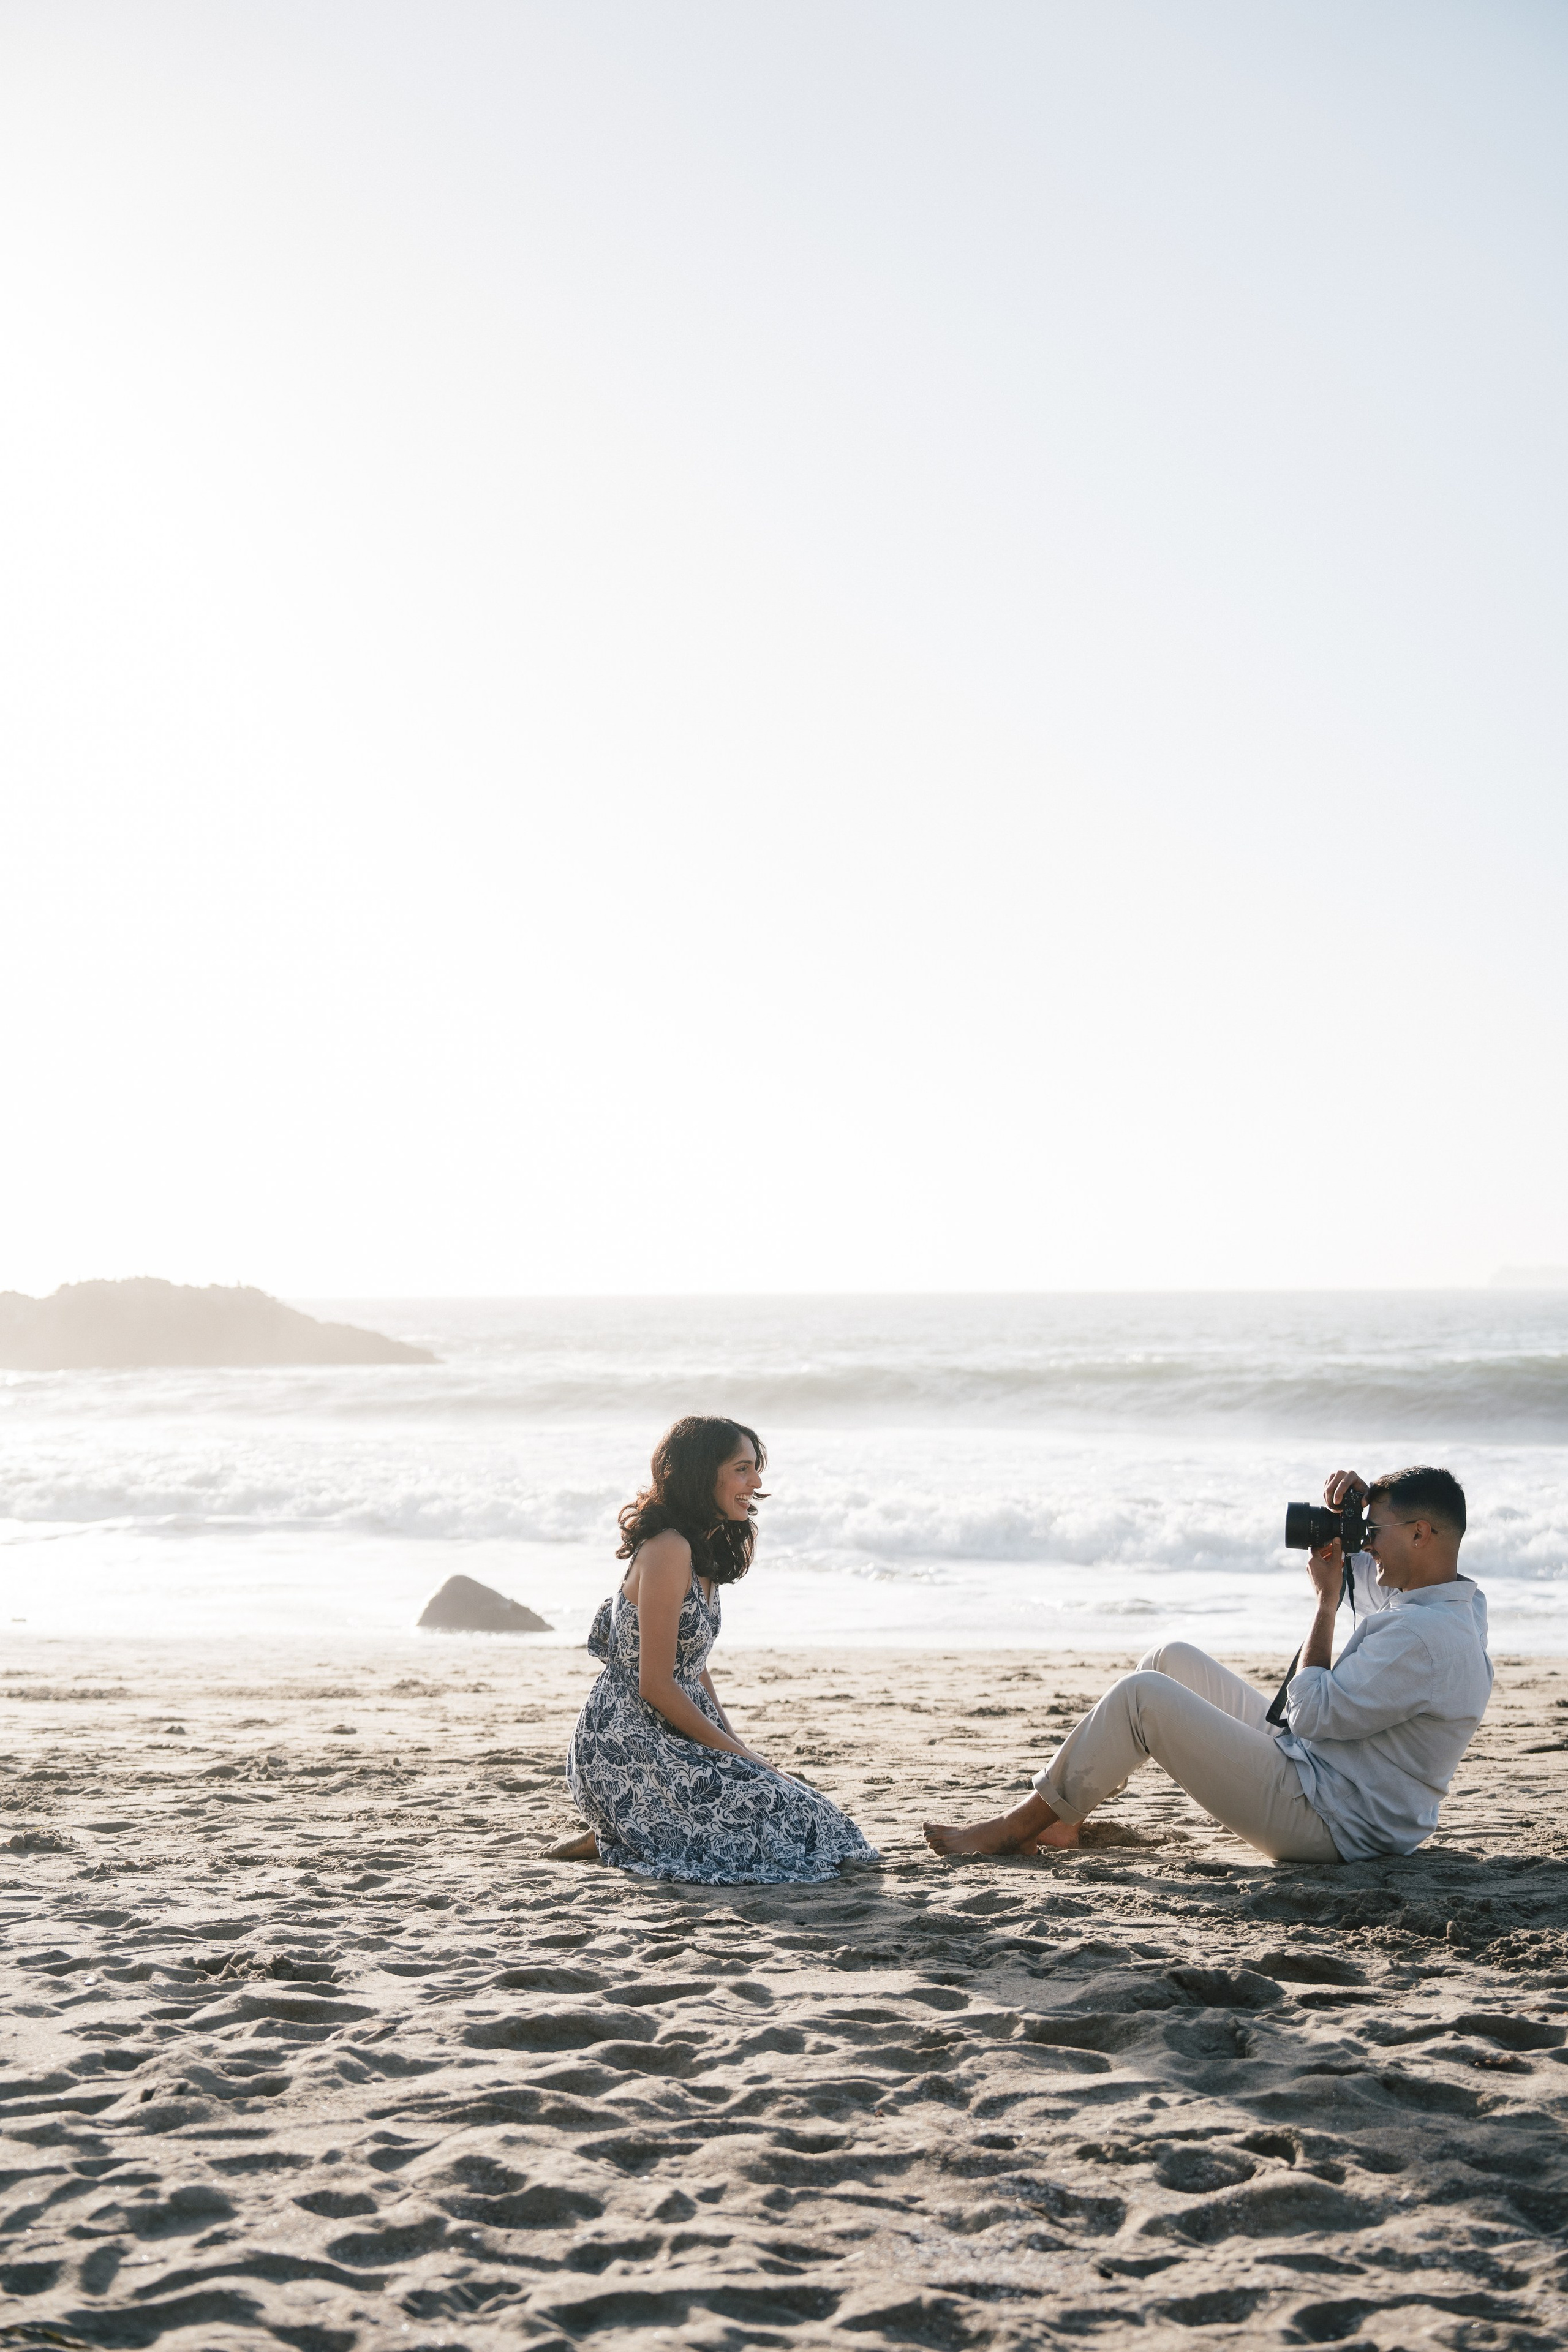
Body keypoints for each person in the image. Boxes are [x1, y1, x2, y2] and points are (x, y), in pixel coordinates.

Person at [923, 1464, 1491, 1866]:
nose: (1366, 1546)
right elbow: (1375, 1597)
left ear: (1420, 1533)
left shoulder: (1423, 1638)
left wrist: (1323, 1603)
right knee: (1170, 1661)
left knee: (1142, 1696)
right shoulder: (1453, 1606)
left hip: (1334, 1824)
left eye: (1375, 1534)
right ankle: (1063, 1820)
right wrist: (1363, 1512)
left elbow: (1313, 1713)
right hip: (1330, 1777)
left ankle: (1013, 1830)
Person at [550, 1414, 878, 1885]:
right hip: (627, 1742)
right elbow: (656, 1683)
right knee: (778, 1820)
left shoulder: (702, 1549)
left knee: (818, 1819)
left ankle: (626, 1832)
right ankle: (617, 1831)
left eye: (755, 1469)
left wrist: (738, 1746)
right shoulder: (668, 1549)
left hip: (675, 1732)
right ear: (704, 1474)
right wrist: (740, 1756)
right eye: (743, 1469)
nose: (757, 1483)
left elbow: (693, 1668)